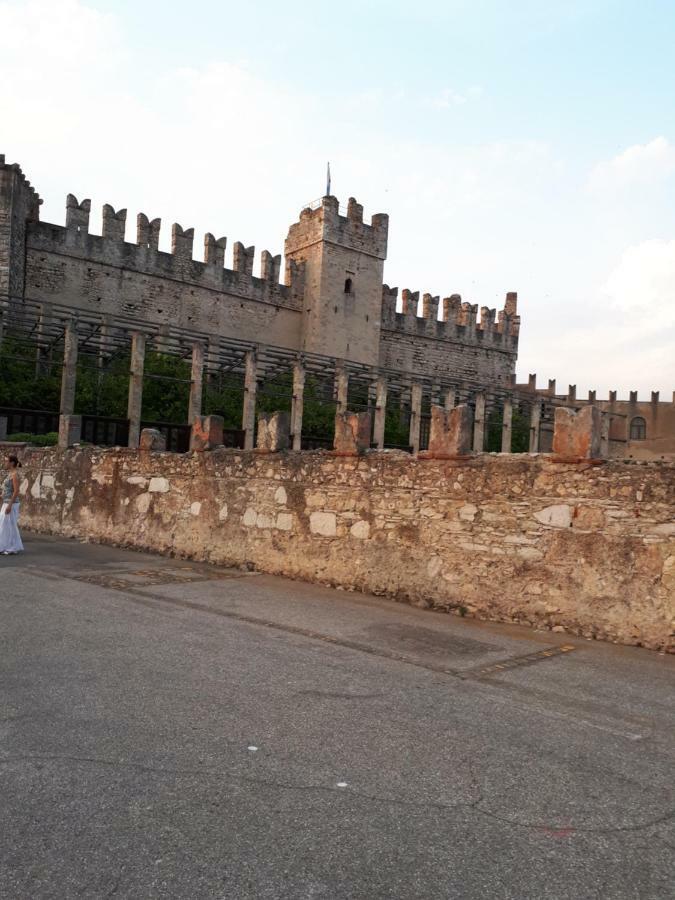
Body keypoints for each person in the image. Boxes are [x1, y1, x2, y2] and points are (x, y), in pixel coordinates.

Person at [0, 455, 24, 555]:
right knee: (5, 525)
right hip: (6, 501)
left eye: (7, 461)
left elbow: (16, 491)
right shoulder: (10, 474)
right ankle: (7, 546)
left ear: (12, 463)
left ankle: (11, 547)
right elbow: (7, 489)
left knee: (8, 525)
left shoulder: (15, 475)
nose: (5, 463)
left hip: (11, 503)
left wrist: (9, 505)